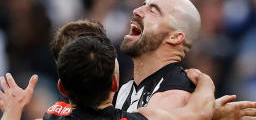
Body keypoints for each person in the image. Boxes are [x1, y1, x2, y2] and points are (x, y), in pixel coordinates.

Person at [116, 0, 256, 120]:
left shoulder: (174, 96)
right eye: (143, 5)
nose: (136, 10)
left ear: (175, 37)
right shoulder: (126, 89)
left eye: (153, 11)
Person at [0, 36, 215, 120]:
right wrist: (205, 82)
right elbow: (199, 112)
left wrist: (13, 109)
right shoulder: (142, 117)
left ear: (62, 88)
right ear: (115, 83)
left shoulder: (53, 117)